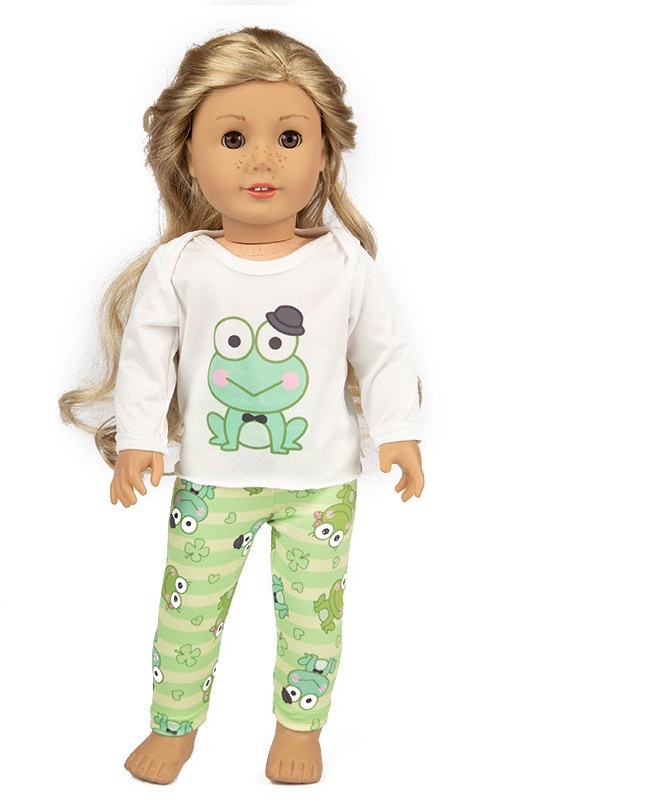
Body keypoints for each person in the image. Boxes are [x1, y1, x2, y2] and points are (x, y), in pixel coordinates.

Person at [59, 25, 425, 785]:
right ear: (188, 157)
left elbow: (383, 351)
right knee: (187, 614)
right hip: (211, 480)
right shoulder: (182, 265)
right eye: (233, 138)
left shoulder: (343, 264)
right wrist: (140, 438)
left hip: (320, 485)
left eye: (289, 137)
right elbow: (147, 358)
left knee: (314, 618)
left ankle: (300, 727)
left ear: (324, 154)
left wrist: (398, 431)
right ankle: (174, 727)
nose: (263, 159)